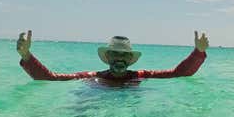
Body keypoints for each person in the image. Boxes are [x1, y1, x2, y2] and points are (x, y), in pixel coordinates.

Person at [17, 30, 208, 83]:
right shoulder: (93, 78)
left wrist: (198, 52)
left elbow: (179, 73)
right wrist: (26, 55)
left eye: (124, 55)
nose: (120, 59)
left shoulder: (140, 75)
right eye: (115, 54)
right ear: (107, 58)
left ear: (130, 59)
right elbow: (50, 78)